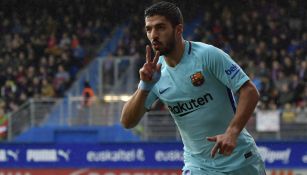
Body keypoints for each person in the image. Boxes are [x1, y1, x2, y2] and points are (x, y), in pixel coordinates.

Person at [120, 1, 266, 174]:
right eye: (149, 29)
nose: (154, 35)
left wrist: (232, 132)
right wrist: (144, 86)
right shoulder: (154, 73)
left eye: (160, 28)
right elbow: (127, 122)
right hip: (198, 166)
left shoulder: (208, 55)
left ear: (178, 29)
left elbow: (249, 91)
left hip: (240, 160)